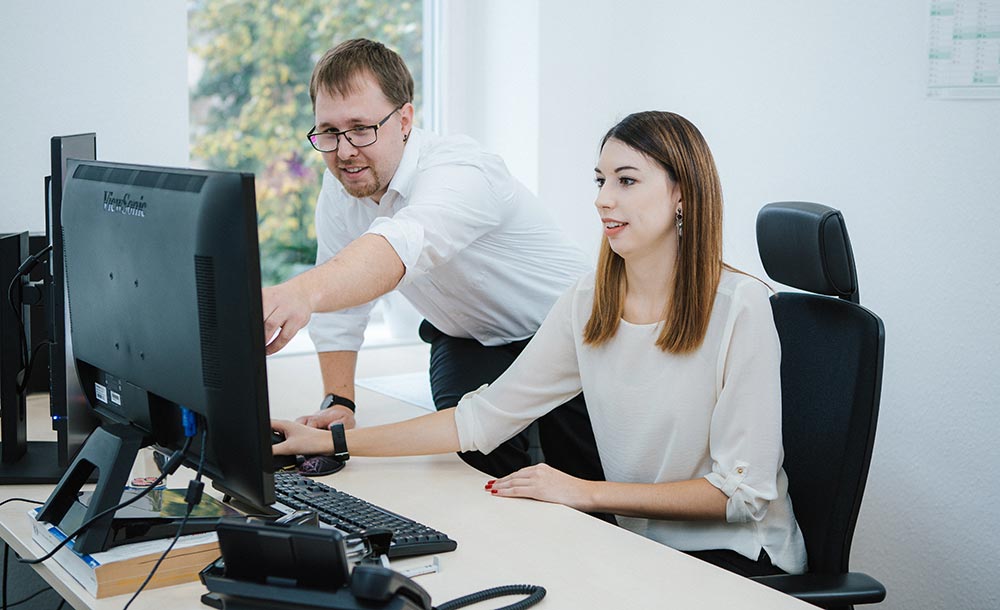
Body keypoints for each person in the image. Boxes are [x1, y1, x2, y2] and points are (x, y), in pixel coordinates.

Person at [272, 110, 808, 577]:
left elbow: (741, 495)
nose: (603, 200)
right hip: (639, 548)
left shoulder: (741, 307)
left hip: (736, 560)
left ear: (682, 194)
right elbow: (481, 418)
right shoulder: (588, 303)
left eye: (626, 181)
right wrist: (328, 442)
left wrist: (587, 492)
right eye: (599, 180)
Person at [261, 38, 603, 481]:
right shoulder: (344, 188)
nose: (344, 151)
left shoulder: (462, 171)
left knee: (587, 475)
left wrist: (299, 292)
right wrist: (340, 403)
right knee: (472, 459)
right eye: (328, 132)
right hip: (468, 336)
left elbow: (402, 242)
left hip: (570, 330)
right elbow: (343, 305)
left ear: (404, 119)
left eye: (361, 128)